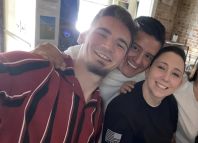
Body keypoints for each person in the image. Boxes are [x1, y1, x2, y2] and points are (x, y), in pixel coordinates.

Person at [0, 5, 136, 143]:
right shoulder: (38, 69)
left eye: (120, 44)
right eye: (101, 34)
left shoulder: (97, 112)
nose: (108, 46)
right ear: (83, 35)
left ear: (123, 58)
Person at [33, 16, 166, 108]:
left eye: (148, 56)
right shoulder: (85, 55)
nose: (138, 61)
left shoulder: (146, 78)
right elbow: (48, 59)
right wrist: (41, 54)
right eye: (135, 48)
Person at [102, 46, 186, 143]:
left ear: (180, 83)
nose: (166, 78)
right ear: (148, 70)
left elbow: (171, 138)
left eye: (175, 74)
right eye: (161, 67)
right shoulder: (119, 109)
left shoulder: (171, 103)